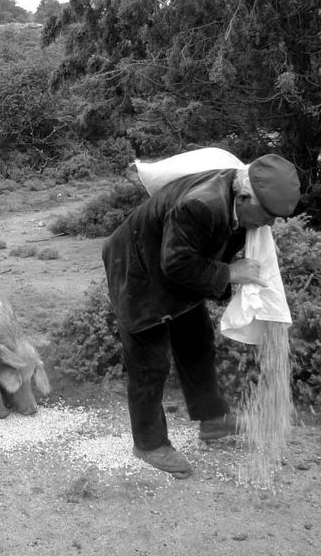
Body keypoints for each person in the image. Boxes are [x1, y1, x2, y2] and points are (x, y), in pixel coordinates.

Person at [102, 152, 301, 477]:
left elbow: (189, 259)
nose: (270, 224)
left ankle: (212, 420)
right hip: (136, 270)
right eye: (269, 216)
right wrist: (230, 273)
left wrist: (226, 274)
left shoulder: (242, 203)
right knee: (149, 361)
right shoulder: (201, 205)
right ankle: (149, 444)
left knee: (196, 340)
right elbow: (177, 263)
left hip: (173, 265)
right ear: (244, 196)